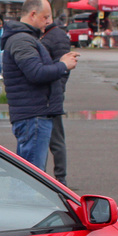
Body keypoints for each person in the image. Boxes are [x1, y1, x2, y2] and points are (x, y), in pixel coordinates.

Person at [0, 0, 78, 170]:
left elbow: (36, 70)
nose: (48, 22)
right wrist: (63, 65)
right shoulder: (22, 40)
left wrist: (59, 63)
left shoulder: (26, 38)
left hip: (33, 115)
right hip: (33, 116)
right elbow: (35, 73)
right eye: (45, 17)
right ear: (33, 14)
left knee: (28, 176)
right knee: (32, 178)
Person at [41, 16, 73, 184]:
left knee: (56, 139)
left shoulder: (57, 36)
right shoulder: (44, 35)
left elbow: (65, 69)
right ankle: (43, 176)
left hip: (52, 95)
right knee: (46, 138)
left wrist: (56, 91)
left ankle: (61, 179)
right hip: (45, 94)